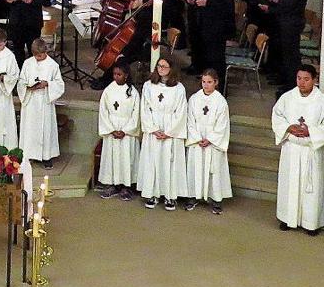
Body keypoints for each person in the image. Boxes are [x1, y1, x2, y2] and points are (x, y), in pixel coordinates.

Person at [272, 64, 324, 235]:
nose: (302, 82)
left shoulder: (323, 101)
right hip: (292, 148)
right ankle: (287, 218)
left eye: (306, 79)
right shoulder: (287, 97)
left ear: (315, 79)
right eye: (299, 78)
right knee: (289, 184)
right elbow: (277, 116)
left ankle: (311, 222)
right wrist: (288, 128)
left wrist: (310, 131)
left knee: (310, 188)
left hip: (310, 151)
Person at [137, 58, 188, 211]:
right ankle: (152, 193)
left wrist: (169, 131)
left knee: (169, 161)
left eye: (164, 66)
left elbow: (181, 112)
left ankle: (170, 195)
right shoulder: (148, 85)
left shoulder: (179, 88)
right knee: (153, 160)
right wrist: (153, 128)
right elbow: (144, 108)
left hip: (170, 129)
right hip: (154, 128)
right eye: (159, 66)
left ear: (171, 68)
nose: (161, 69)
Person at [262, 0, 309, 94]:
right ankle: (286, 80)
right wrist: (276, 0)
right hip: (287, 20)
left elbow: (290, 4)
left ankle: (291, 86)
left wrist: (271, 9)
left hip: (291, 22)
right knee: (286, 54)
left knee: (291, 56)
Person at [185, 69, 232, 214]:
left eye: (209, 82)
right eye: (204, 82)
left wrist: (210, 139)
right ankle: (192, 197)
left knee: (214, 171)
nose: (206, 85)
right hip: (197, 140)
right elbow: (189, 120)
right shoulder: (194, 99)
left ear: (216, 82)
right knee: (195, 168)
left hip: (212, 143)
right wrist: (198, 137)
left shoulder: (220, 101)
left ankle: (216, 200)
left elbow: (222, 124)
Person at [17, 38, 64, 169]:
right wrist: (27, 87)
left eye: (41, 55)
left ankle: (46, 156)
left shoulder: (52, 65)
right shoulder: (27, 63)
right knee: (30, 128)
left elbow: (59, 84)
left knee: (45, 129)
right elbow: (21, 81)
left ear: (46, 52)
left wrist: (48, 84)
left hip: (45, 101)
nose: (38, 57)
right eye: (36, 55)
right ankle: (29, 154)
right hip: (31, 100)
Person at [97, 62, 140, 201]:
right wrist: (111, 129)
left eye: (119, 74)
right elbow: (103, 111)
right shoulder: (108, 90)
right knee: (112, 158)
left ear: (126, 75)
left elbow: (136, 114)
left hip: (127, 130)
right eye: (114, 74)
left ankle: (126, 186)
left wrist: (126, 130)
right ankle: (113, 185)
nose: (116, 77)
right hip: (112, 129)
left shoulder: (133, 92)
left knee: (126, 158)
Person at [191, 0, 236, 83]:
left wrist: (207, 2)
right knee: (209, 56)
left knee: (217, 58)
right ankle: (210, 82)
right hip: (209, 24)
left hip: (218, 26)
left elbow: (226, 4)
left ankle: (219, 86)